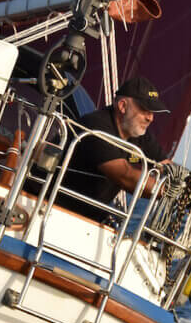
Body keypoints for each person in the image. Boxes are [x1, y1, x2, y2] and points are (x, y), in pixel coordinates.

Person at [58, 76, 170, 221]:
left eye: (153, 112)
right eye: (145, 110)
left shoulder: (140, 134)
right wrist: (171, 192)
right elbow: (124, 176)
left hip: (91, 216)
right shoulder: (96, 126)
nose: (150, 118)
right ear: (123, 106)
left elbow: (168, 168)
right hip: (55, 206)